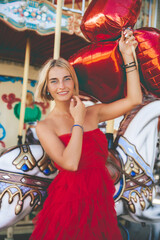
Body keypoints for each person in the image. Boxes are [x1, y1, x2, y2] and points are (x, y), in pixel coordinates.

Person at [30, 28, 142, 240]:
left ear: (74, 82)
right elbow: (71, 164)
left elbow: (134, 100)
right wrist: (79, 122)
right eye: (54, 81)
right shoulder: (46, 126)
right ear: (47, 88)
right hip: (70, 202)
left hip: (100, 197)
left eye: (67, 79)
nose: (62, 86)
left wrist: (128, 55)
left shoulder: (94, 112)